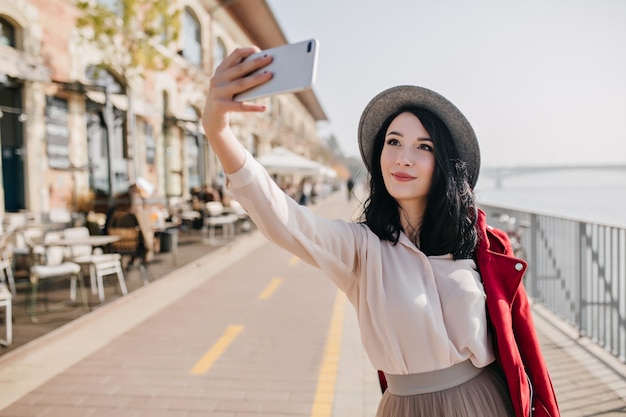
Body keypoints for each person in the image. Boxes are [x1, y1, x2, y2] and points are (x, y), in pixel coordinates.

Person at [202, 46, 559, 417]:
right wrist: (217, 128)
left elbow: (519, 345)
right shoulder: (361, 249)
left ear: (445, 165)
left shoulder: (477, 243)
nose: (403, 157)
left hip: (487, 402)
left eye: (424, 146)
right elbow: (281, 216)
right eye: (393, 142)